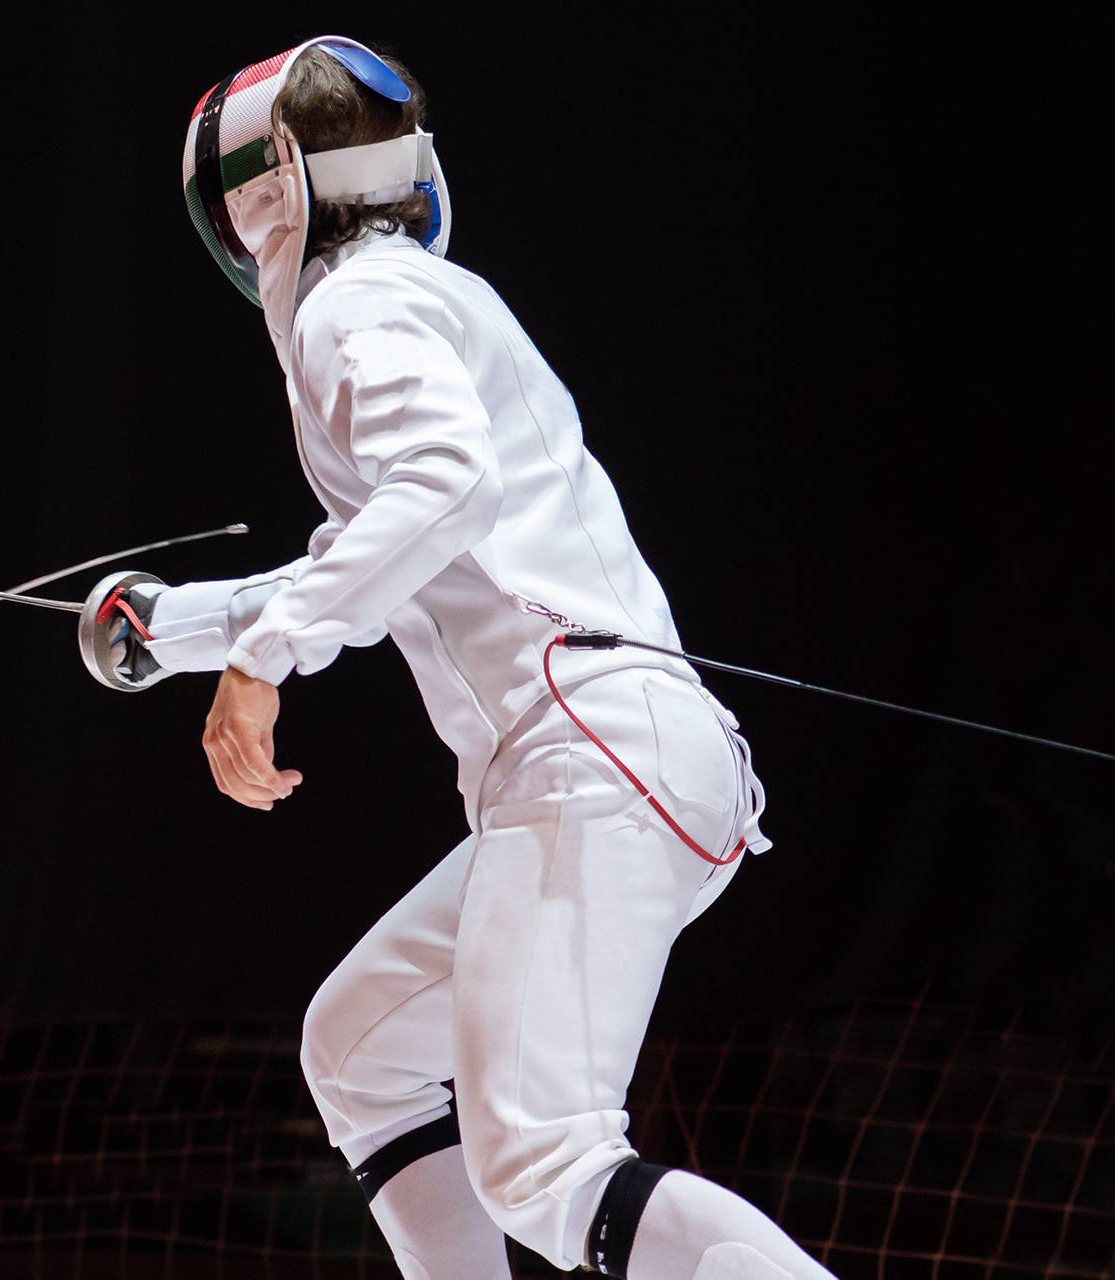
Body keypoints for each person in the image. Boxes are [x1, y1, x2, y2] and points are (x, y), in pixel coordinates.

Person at [119, 38, 835, 1279]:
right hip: (607, 752)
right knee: (358, 1048)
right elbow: (380, 546)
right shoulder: (415, 299)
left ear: (264, 192)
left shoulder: (356, 305)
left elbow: (445, 484)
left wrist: (267, 660)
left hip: (587, 744)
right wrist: (169, 629)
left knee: (544, 1157)